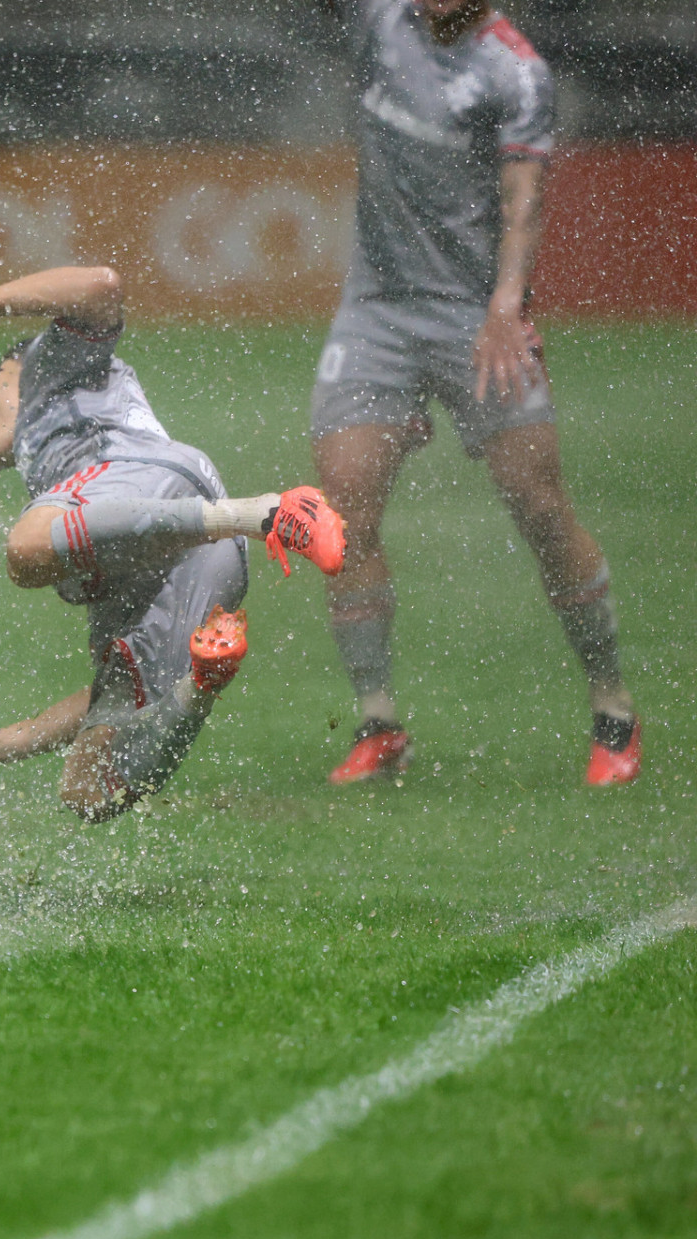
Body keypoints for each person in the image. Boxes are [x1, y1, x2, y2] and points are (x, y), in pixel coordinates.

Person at [306, 0, 640, 785]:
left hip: (475, 317)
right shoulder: (381, 20)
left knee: (541, 505)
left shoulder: (515, 71)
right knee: (344, 510)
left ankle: (613, 708)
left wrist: (505, 306)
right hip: (376, 312)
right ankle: (379, 720)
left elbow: (526, 200)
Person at [0, 266, 345, 820]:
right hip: (189, 549)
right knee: (92, 789)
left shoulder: (48, 369)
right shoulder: (65, 484)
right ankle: (203, 682)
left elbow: (102, 284)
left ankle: (263, 511)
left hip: (155, 486)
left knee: (27, 551)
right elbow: (99, 701)